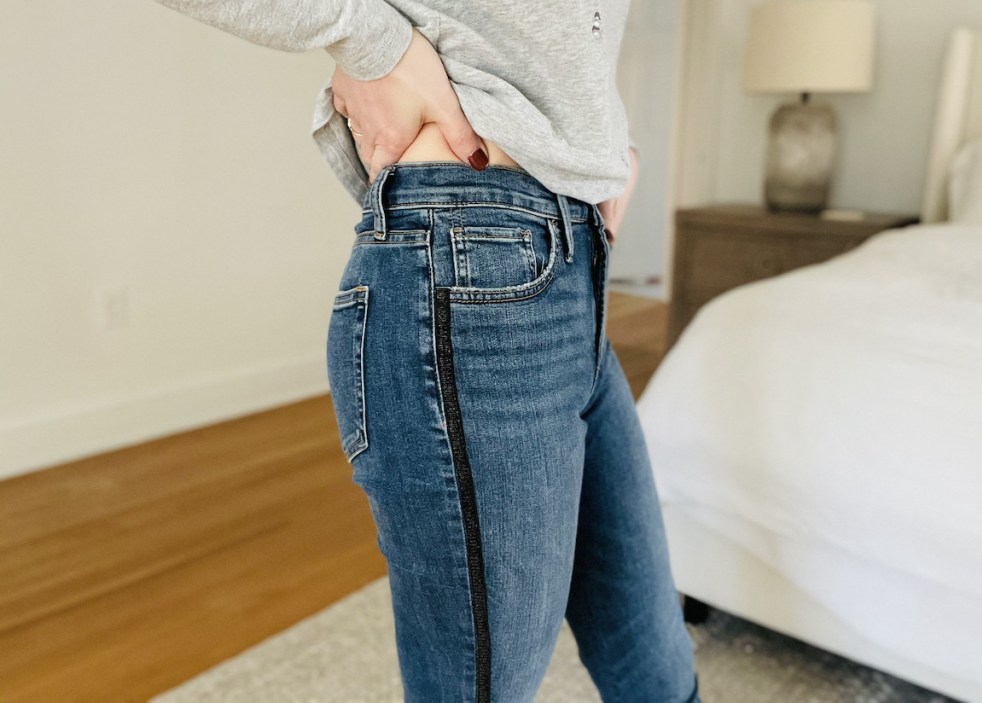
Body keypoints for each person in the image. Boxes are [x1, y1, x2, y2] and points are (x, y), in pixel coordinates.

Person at [150, 1, 700, 701]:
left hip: (574, 262)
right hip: (473, 258)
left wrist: (606, 138)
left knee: (656, 659)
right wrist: (369, 37)